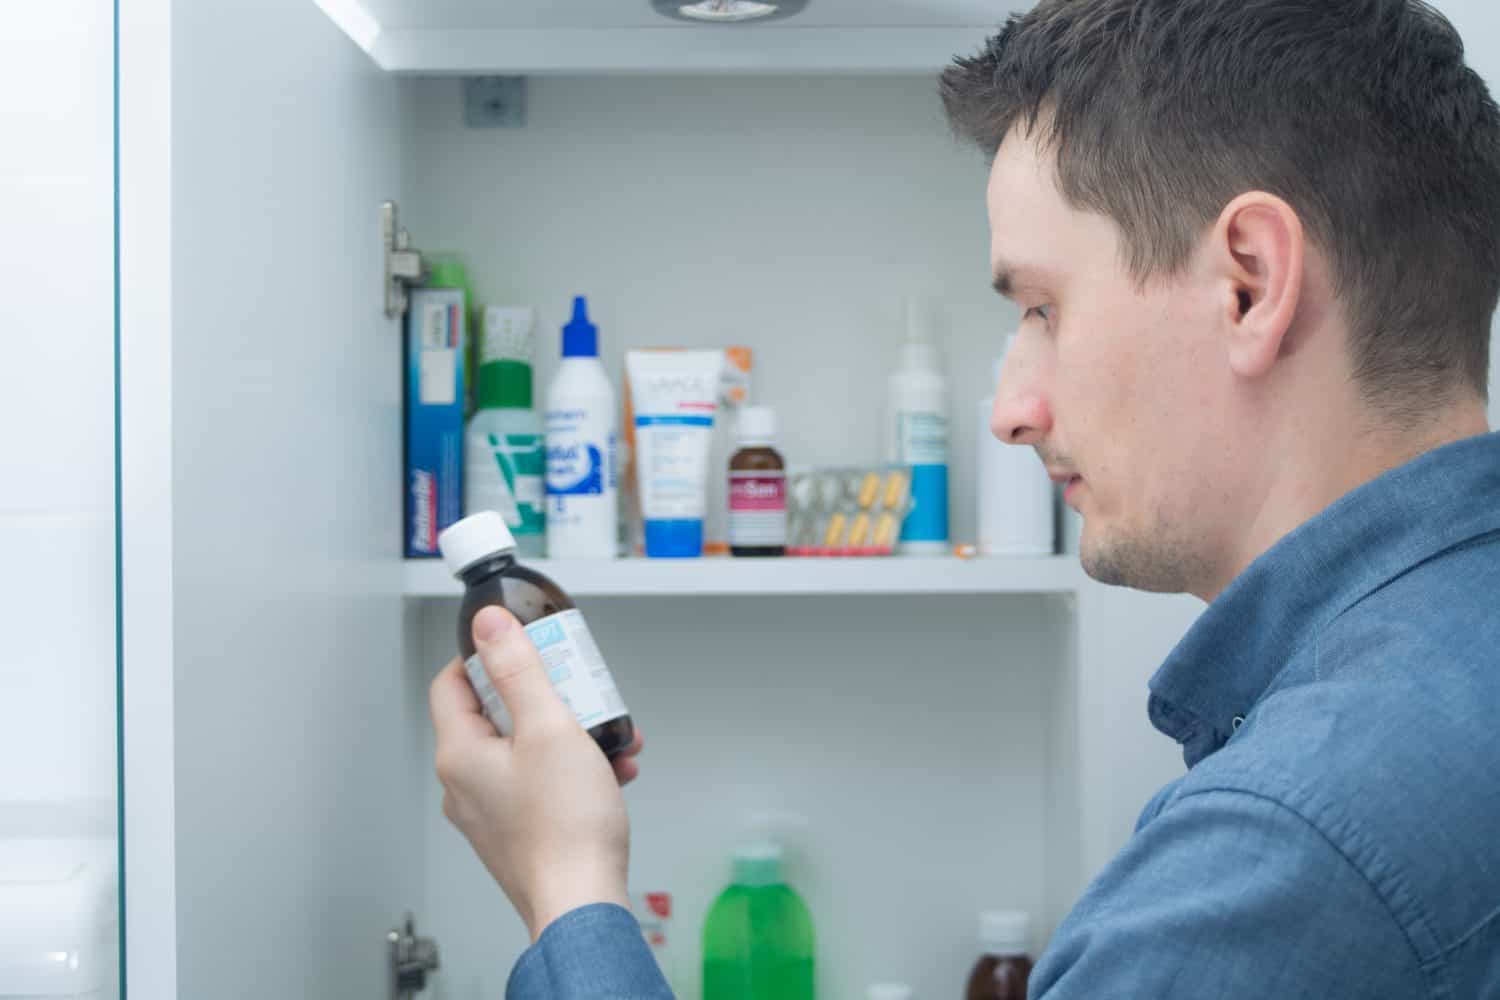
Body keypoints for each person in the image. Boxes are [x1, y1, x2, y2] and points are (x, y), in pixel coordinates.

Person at [428, 0, 1500, 995]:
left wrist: (567, 883)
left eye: (1041, 307)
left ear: (1249, 284)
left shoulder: (1284, 856)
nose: (1012, 411)